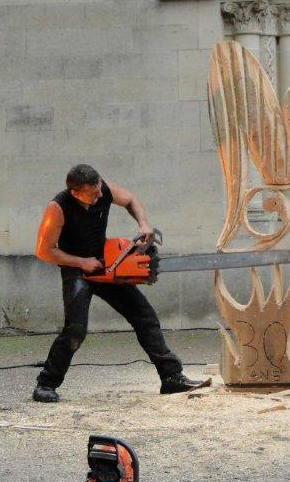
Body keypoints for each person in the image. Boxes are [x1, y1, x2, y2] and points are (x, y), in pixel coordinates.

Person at [32, 163, 202, 402]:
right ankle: (46, 384)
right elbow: (44, 251)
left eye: (99, 190)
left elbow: (131, 200)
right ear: (75, 192)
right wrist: (81, 262)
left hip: (106, 264)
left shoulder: (103, 188)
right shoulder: (57, 208)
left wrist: (143, 224)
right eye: (92, 194)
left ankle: (171, 377)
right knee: (75, 331)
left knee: (144, 315)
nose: (99, 197)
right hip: (76, 270)